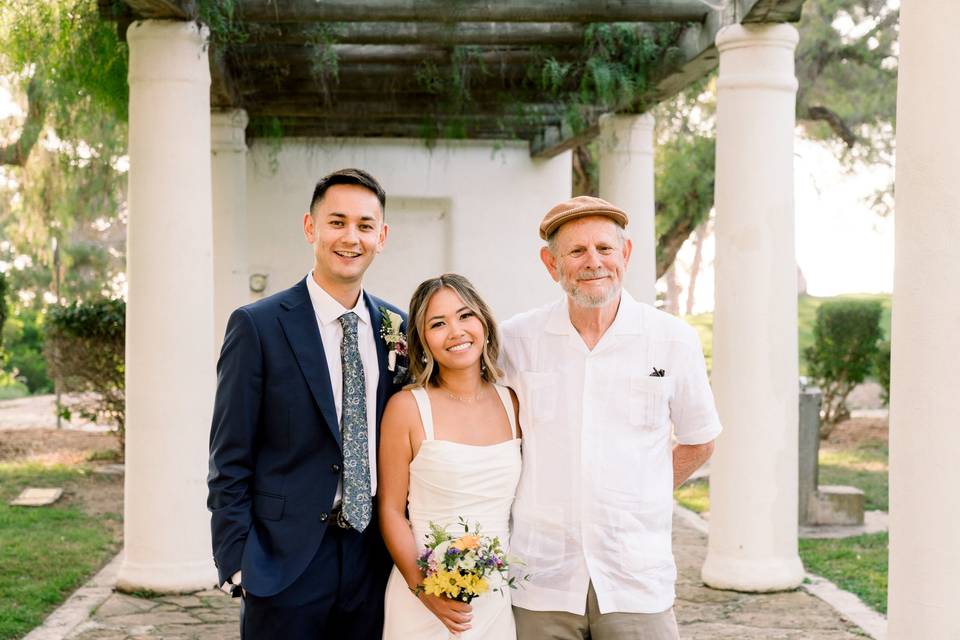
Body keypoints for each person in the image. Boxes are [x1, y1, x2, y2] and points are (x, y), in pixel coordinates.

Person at [501, 196, 721, 640]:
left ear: (626, 253)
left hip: (634, 577)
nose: (593, 262)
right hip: (541, 577)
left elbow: (700, 438)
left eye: (604, 248)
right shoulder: (515, 339)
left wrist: (643, 491)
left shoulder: (672, 340)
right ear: (551, 264)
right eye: (576, 251)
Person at [207, 168, 408, 639]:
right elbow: (229, 455)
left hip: (372, 558)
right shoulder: (256, 326)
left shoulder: (396, 326)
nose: (350, 237)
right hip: (284, 560)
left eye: (364, 225)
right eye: (336, 222)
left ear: (382, 236)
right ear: (310, 227)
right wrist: (238, 563)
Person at [378, 274, 522, 639]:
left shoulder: (514, 403)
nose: (455, 331)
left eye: (465, 316)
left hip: (494, 598)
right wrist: (424, 589)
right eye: (438, 324)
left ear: (484, 324)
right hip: (423, 595)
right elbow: (391, 511)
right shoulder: (407, 408)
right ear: (423, 340)